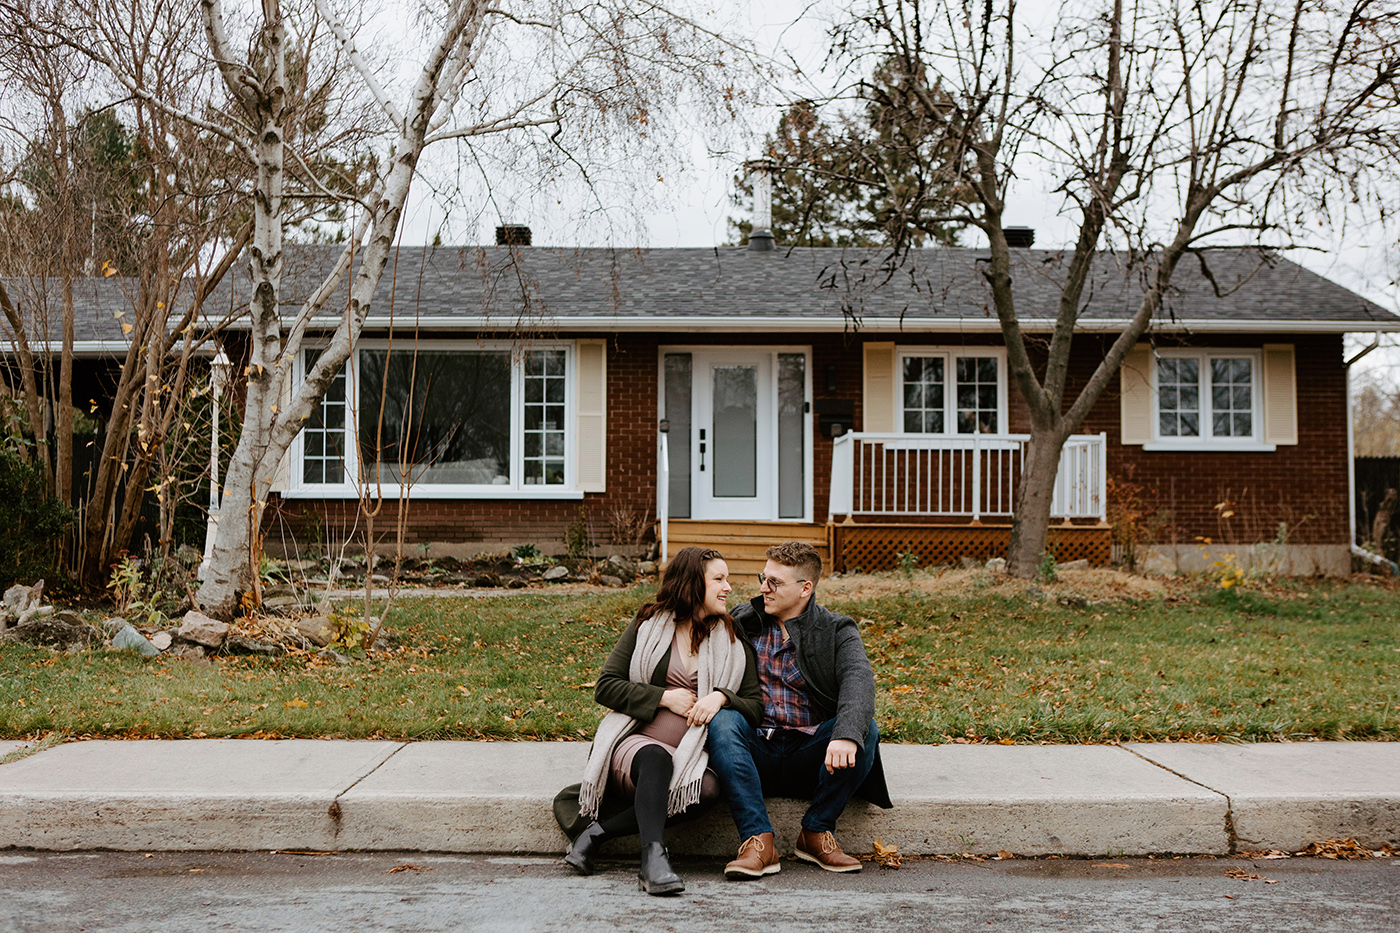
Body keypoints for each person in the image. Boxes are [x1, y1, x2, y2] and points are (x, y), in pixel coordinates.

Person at [565, 546, 763, 895]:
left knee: (709, 789)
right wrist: (662, 697)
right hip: (636, 746)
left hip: (690, 755)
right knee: (656, 759)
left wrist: (721, 697)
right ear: (691, 583)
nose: (728, 587)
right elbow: (606, 686)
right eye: (719, 579)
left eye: (727, 579)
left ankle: (596, 834)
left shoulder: (732, 638)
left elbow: (755, 705)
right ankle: (653, 860)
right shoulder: (648, 625)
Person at [706, 541, 891, 879]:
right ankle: (757, 841)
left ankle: (816, 832)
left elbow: (858, 680)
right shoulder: (742, 621)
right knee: (724, 720)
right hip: (754, 749)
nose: (764, 587)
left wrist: (846, 735)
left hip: (812, 756)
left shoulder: (836, 629)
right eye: (764, 577)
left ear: (805, 588)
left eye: (774, 582)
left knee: (865, 728)